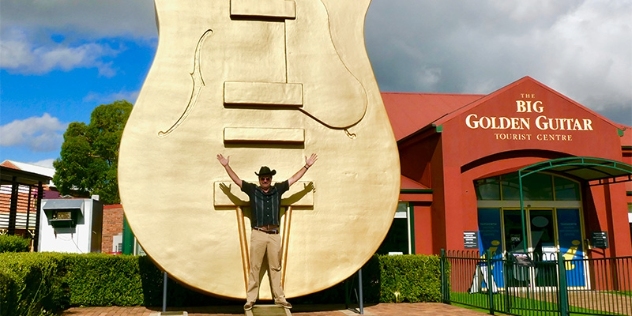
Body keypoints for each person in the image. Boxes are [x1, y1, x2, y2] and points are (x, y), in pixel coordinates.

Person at [217, 153, 318, 311]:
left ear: (271, 179)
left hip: (274, 235)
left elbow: (293, 179)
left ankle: (280, 299)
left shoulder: (278, 189)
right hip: (258, 233)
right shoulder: (252, 190)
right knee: (255, 267)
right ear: (259, 179)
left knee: (275, 267)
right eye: (263, 178)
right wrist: (226, 166)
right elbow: (237, 181)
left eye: (268, 178)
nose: (265, 180)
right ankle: (250, 300)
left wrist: (306, 166)